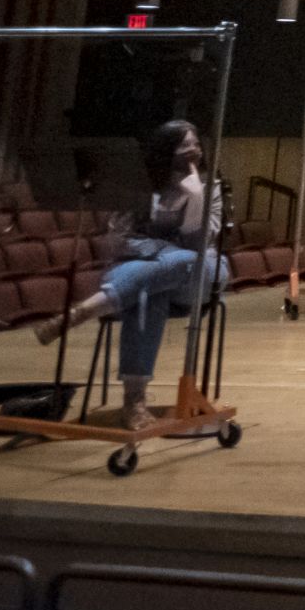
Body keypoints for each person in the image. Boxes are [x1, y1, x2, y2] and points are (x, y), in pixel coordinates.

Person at [33, 121, 223, 431]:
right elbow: (120, 239)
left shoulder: (211, 189)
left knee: (184, 260)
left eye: (196, 144)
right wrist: (165, 252)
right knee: (149, 294)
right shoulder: (139, 187)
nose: (193, 151)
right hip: (144, 276)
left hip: (197, 276)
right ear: (164, 152)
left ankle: (86, 310)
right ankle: (135, 401)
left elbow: (200, 246)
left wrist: (196, 199)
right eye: (184, 145)